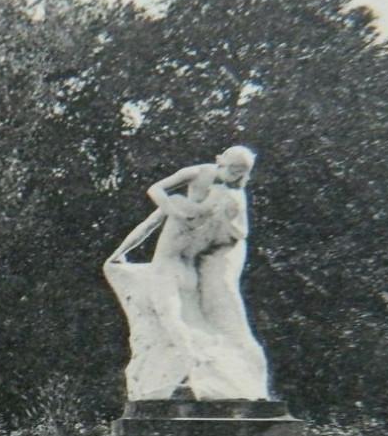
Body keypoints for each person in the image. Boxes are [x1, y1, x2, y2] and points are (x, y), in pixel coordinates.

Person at [101, 145, 270, 401]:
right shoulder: (212, 214)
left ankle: (196, 370)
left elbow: (147, 227)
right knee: (193, 325)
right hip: (188, 273)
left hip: (167, 270)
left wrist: (116, 256)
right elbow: (236, 234)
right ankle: (205, 373)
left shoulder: (179, 205)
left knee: (173, 320)